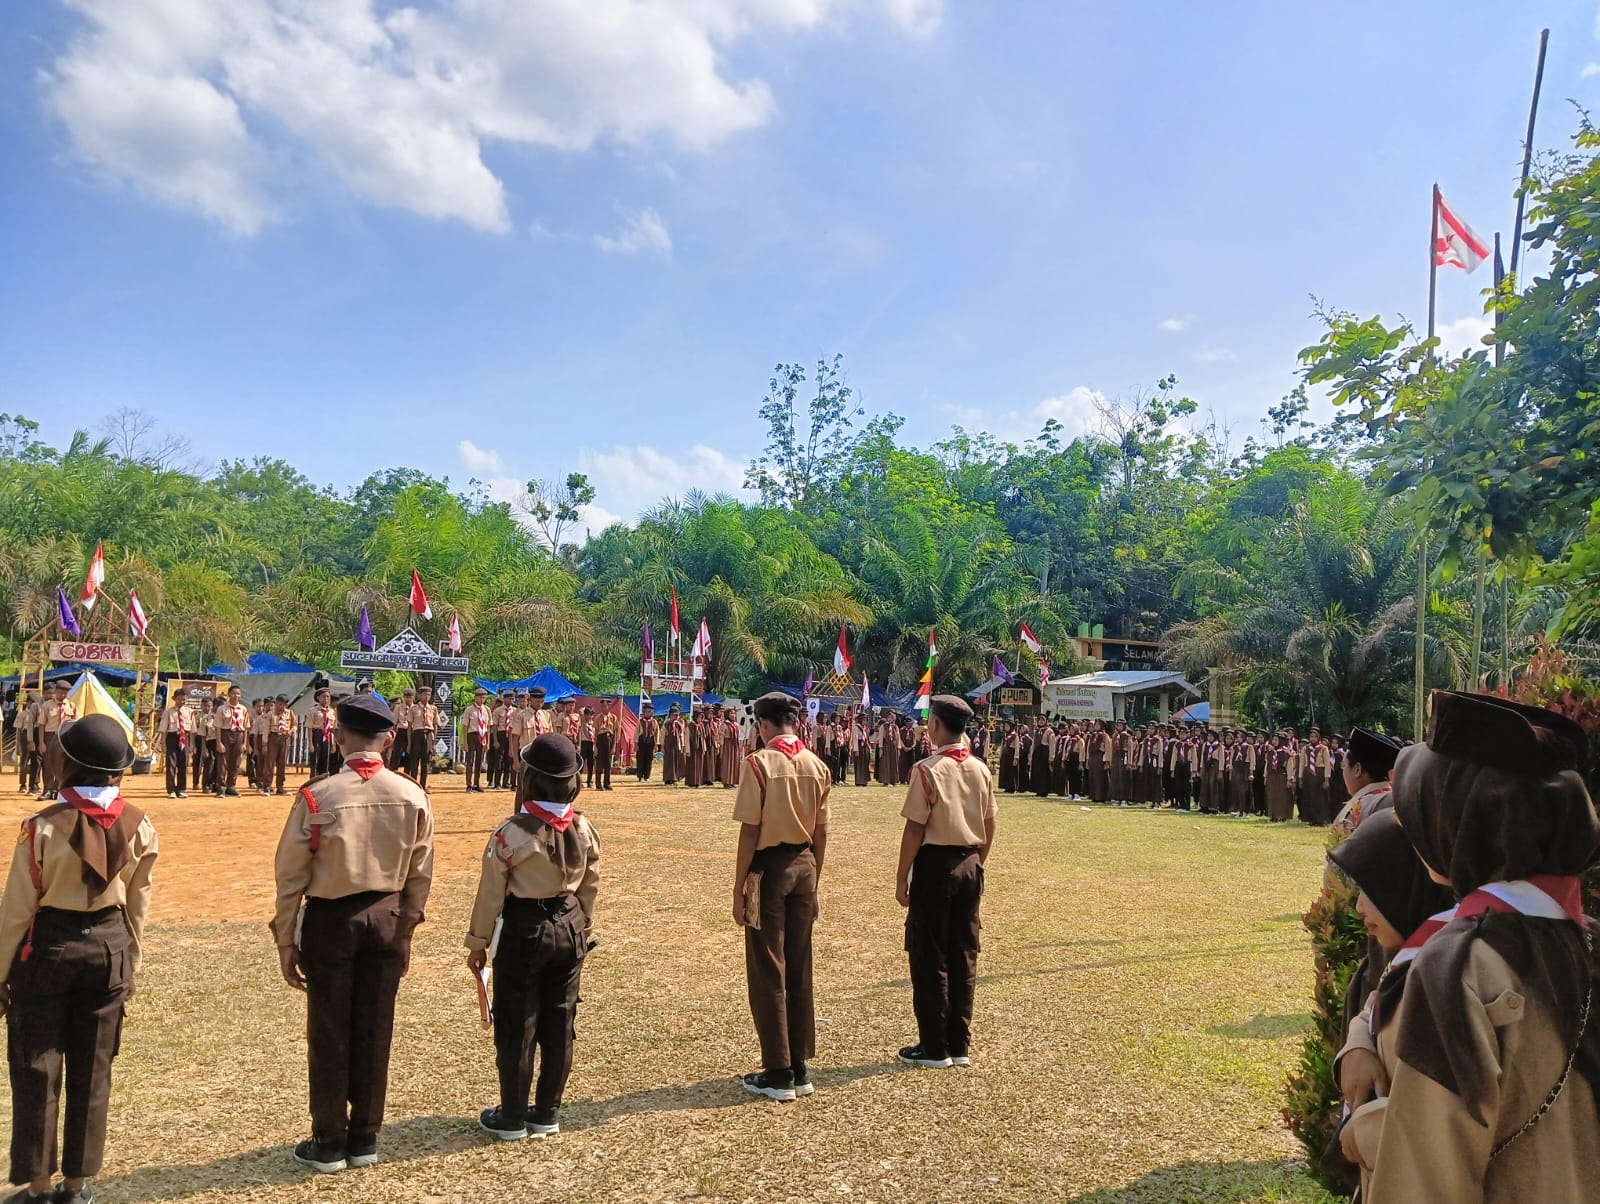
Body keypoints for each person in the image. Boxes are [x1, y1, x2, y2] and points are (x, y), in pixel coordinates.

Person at [1358, 691, 1600, 1202]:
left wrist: (1369, 1131)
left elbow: (1424, 1186)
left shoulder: (1457, 966)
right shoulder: (1583, 938)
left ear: (1465, 823)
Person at [271, 694, 435, 1175]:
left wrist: (285, 938)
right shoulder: (412, 794)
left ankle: (329, 1140)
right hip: (386, 917)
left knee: (328, 1029)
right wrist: (405, 930)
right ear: (390, 738)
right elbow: (420, 876)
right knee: (374, 1025)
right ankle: (365, 1135)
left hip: (330, 920)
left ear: (338, 735)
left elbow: (290, 877)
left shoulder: (318, 795)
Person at [0, 714, 158, 1204]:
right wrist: (128, 963)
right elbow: (139, 905)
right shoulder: (140, 824)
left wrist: (1, 973)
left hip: (48, 947)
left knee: (37, 1065)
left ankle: (39, 1185)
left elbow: (16, 910)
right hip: (108, 946)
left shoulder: (42, 826)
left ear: (67, 764)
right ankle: (76, 1185)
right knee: (94, 1069)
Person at [468, 734, 600, 1141]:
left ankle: (511, 1116)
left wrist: (478, 943)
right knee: (561, 1022)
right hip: (570, 924)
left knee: (517, 1023)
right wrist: (584, 926)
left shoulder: (512, 832)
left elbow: (491, 893)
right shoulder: (582, 825)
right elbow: (590, 884)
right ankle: (547, 1112)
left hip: (525, 929)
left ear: (530, 779)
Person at [1326, 809, 1456, 1196]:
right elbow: (1369, 1010)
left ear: (1406, 886)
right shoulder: (1396, 960)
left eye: (1373, 889)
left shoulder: (1445, 980)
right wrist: (1358, 1040)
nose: (1359, 908)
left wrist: (1363, 1133)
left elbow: (1447, 1122)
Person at [731, 692, 831, 1102]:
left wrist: (738, 888)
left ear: (764, 725)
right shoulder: (817, 765)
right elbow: (822, 832)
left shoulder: (758, 764)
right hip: (805, 865)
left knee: (767, 966)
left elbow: (750, 832)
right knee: (799, 964)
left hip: (769, 870)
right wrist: (816, 880)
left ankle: (778, 1070)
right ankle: (801, 1065)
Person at [895, 695, 997, 1069]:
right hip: (970, 861)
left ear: (936, 726)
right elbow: (990, 823)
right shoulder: (980, 770)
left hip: (935, 865)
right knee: (963, 952)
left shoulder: (928, 770)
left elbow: (915, 829)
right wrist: (976, 862)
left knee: (929, 953)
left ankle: (934, 1045)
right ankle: (959, 1042)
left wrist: (901, 876)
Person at [1331, 727, 1403, 838]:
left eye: (1343, 766)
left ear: (1357, 769)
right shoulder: (1401, 802)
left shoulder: (1356, 810)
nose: (1343, 772)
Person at [38, 683, 76, 803]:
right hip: (51, 736)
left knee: (63, 765)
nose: (63, 695)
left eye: (65, 693)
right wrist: (41, 742)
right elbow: (41, 725)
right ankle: (47, 789)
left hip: (65, 737)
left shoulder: (72, 705)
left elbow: (75, 724)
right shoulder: (47, 705)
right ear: (56, 691)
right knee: (49, 763)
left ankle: (58, 789)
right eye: (61, 692)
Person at [158, 687, 192, 798]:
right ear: (174, 699)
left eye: (184, 699)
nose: (182, 702)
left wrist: (192, 744)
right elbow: (163, 729)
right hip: (172, 738)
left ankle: (181, 789)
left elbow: (193, 730)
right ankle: (171, 789)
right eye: (180, 699)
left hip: (184, 738)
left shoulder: (190, 712)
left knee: (183, 764)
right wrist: (163, 744)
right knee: (171, 765)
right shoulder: (168, 712)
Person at [216, 687, 250, 797]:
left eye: (238, 694)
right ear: (229, 695)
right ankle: (221, 787)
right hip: (226, 734)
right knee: (223, 762)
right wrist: (219, 742)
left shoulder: (243, 709)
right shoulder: (222, 709)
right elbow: (217, 727)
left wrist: (244, 743)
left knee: (235, 762)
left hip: (238, 734)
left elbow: (245, 727)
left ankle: (231, 786)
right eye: (234, 693)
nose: (236, 696)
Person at [462, 687, 492, 794]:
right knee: (470, 760)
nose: (482, 700)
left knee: (479, 760)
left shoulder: (487, 710)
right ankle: (469, 785)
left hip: (482, 735)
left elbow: (488, 726)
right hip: (472, 735)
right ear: (475, 697)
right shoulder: (469, 710)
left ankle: (476, 784)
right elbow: (465, 727)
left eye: (484, 697)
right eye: (480, 697)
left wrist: (487, 742)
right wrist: (465, 742)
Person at [14, 691, 40, 797]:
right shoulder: (22, 714)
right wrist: (18, 746)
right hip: (24, 738)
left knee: (37, 762)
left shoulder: (39, 712)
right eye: (32, 702)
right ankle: (23, 784)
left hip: (36, 736)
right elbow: (19, 731)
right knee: (24, 762)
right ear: (28, 703)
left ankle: (35, 783)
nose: (34, 704)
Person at [309, 688, 337, 781]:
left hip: (329, 736)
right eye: (324, 696)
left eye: (328, 697)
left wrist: (334, 745)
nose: (326, 699)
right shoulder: (313, 711)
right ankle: (314, 781)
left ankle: (323, 781)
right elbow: (309, 728)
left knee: (326, 760)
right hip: (317, 735)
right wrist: (310, 744)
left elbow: (334, 729)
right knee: (316, 760)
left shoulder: (332, 712)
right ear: (318, 698)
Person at [635, 703, 658, 781]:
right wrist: (636, 743)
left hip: (650, 741)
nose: (648, 713)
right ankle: (640, 776)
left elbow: (656, 733)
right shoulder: (640, 721)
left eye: (649, 712)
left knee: (649, 759)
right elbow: (636, 733)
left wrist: (656, 744)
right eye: (646, 711)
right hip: (642, 741)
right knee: (640, 759)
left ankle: (647, 776)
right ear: (644, 712)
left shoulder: (654, 722)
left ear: (651, 712)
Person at [596, 704, 618, 792]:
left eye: (606, 706)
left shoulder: (613, 717)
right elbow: (595, 732)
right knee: (599, 762)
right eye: (603, 706)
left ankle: (607, 783)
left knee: (608, 763)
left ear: (609, 707)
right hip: (600, 739)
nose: (604, 708)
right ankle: (598, 784)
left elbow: (615, 732)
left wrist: (614, 746)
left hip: (609, 738)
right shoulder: (598, 717)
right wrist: (595, 746)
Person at [663, 704, 685, 786]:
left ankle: (675, 778)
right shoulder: (666, 724)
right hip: (668, 745)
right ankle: (667, 778)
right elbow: (663, 735)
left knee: (676, 761)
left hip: (676, 745)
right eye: (673, 715)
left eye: (677, 715)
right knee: (668, 762)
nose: (675, 717)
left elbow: (681, 735)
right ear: (670, 715)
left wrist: (682, 745)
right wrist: (662, 746)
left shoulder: (679, 725)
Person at [578, 708, 597, 790]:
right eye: (587, 714)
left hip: (591, 743)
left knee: (591, 763)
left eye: (591, 714)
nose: (589, 716)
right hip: (584, 742)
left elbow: (596, 735)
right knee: (581, 762)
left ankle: (589, 780)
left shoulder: (594, 724)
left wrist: (595, 746)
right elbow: (580, 711)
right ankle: (579, 780)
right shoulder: (582, 722)